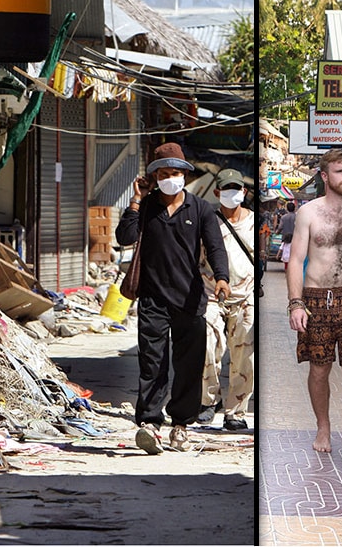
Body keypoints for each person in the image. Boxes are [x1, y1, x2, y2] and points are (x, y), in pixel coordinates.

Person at [115, 142, 230, 454]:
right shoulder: (148, 207)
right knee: (152, 363)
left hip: (191, 299)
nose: (170, 178)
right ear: (154, 176)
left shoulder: (202, 209)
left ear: (185, 175)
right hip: (153, 299)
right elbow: (124, 237)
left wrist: (222, 277)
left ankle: (180, 425)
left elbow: (216, 246)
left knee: (189, 365)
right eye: (164, 173)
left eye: (175, 173)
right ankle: (150, 423)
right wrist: (136, 200)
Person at [286, 148, 342, 474]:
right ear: (325, 176)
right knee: (320, 370)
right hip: (315, 301)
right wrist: (296, 302)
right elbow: (295, 260)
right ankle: (323, 425)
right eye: (340, 172)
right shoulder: (308, 213)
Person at [198, 168, 255, 431]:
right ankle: (209, 401)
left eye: (238, 188)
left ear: (244, 191)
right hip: (211, 293)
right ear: (217, 192)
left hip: (245, 297)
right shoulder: (207, 220)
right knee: (208, 343)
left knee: (245, 354)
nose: (234, 194)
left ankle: (236, 410)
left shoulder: (255, 222)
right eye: (228, 189)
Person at [275, 202, 297, 268]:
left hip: (286, 239)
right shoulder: (298, 217)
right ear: (294, 209)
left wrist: (277, 232)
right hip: (296, 239)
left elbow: (280, 227)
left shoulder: (284, 217)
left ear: (287, 209)